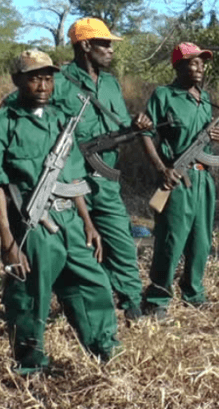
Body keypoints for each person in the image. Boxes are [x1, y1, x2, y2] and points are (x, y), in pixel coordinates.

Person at [0, 50, 119, 373]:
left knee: (92, 283)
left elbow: (71, 176)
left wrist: (88, 223)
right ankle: (30, 365)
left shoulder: (59, 118)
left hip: (69, 217)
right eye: (34, 78)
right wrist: (8, 241)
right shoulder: (4, 122)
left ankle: (104, 349)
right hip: (33, 223)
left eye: (47, 78)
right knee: (31, 295)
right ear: (17, 81)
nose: (42, 85)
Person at [51, 18, 152, 320]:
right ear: (85, 45)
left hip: (106, 179)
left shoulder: (110, 83)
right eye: (104, 44)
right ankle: (80, 307)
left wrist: (136, 126)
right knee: (74, 247)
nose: (110, 50)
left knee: (121, 242)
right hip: (70, 180)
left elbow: (119, 126)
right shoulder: (58, 82)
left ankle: (132, 303)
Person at [140, 42, 219, 319]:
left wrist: (215, 136)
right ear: (178, 66)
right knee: (171, 239)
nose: (199, 67)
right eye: (192, 62)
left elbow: (206, 141)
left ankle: (194, 292)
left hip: (203, 178)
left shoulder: (205, 97)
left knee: (201, 239)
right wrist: (162, 168)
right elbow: (145, 133)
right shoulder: (164, 95)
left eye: (202, 62)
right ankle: (157, 299)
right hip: (177, 178)